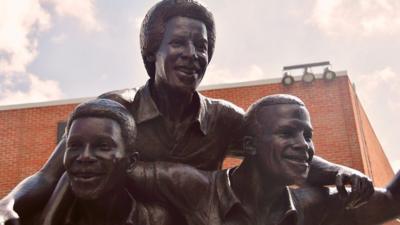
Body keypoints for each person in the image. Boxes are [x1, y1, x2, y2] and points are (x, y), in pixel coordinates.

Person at [0, 0, 373, 223]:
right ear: (153, 53)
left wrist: (339, 171)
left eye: (201, 45)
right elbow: (49, 176)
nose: (192, 54)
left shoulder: (223, 118)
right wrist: (6, 205)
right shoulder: (115, 109)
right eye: (178, 43)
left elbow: (278, 150)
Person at [127, 94, 400, 225]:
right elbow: (113, 172)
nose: (303, 145)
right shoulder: (192, 187)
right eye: (287, 132)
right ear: (249, 144)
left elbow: (391, 201)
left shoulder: (314, 205)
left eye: (308, 135)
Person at [26, 99, 172, 225]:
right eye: (75, 146)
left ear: (131, 162)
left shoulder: (155, 220)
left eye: (103, 146)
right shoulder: (34, 220)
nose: (85, 156)